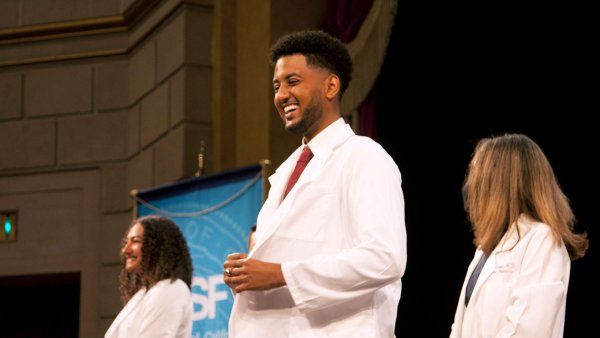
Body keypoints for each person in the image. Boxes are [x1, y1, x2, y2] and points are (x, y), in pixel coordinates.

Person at [223, 30, 407, 338]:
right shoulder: (288, 172)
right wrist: (248, 272)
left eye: (293, 82)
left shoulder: (364, 156)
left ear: (331, 85)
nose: (281, 95)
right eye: (276, 85)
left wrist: (280, 273)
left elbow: (385, 258)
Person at [450, 134, 588, 338]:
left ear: (500, 183)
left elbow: (529, 330)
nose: (471, 186)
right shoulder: (485, 250)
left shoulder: (542, 240)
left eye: (477, 174)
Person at [105, 215, 193, 338]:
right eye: (126, 242)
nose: (126, 250)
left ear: (158, 246)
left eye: (135, 241)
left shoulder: (170, 289)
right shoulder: (143, 293)